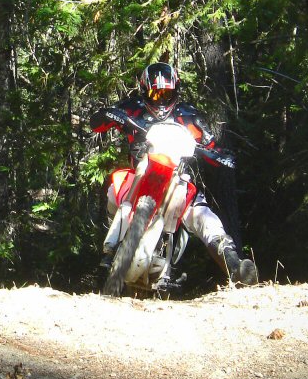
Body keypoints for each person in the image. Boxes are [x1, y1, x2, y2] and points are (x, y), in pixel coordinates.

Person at [89, 62, 258, 285]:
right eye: (155, 93)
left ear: (176, 91)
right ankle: (110, 252)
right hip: (142, 172)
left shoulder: (187, 115)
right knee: (114, 188)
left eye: (166, 93)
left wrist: (218, 155)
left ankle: (234, 265)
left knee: (203, 216)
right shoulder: (133, 108)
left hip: (176, 177)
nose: (160, 99)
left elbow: (209, 143)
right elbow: (98, 123)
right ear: (144, 91)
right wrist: (109, 116)